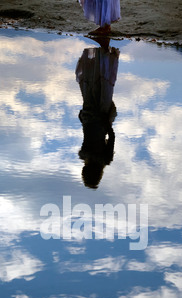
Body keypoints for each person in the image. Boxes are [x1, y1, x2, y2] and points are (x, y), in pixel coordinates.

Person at [76, 42, 120, 189]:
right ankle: (97, 56)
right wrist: (82, 119)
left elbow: (111, 137)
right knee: (92, 86)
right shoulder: (84, 154)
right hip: (88, 119)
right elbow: (87, 134)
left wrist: (106, 121)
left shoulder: (105, 159)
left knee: (104, 87)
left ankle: (106, 56)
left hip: (100, 119)